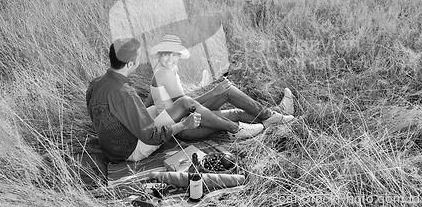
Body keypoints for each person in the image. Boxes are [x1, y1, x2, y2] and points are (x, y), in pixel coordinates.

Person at [86, 37, 270, 163]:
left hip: (115, 145)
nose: (140, 61)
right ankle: (236, 128)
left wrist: (139, 114)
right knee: (186, 104)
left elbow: (120, 113)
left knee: (207, 107)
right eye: (138, 58)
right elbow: (150, 136)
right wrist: (183, 125)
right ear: (130, 64)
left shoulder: (96, 84)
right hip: (131, 149)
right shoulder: (124, 92)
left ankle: (266, 116)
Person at [146, 34, 295, 141]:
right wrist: (213, 93)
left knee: (228, 95)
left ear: (179, 57)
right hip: (184, 127)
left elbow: (150, 100)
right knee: (231, 104)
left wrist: (141, 119)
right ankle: (275, 115)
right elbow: (185, 105)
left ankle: (273, 116)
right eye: (166, 54)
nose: (170, 59)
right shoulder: (164, 73)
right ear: (159, 55)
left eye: (174, 55)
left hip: (188, 118)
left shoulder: (165, 71)